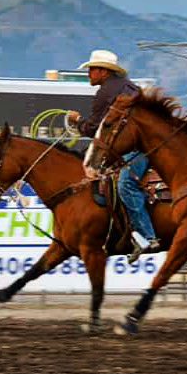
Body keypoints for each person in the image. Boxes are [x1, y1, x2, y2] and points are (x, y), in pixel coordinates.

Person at [66, 49, 161, 262]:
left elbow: (94, 129)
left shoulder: (106, 92)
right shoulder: (130, 86)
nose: (89, 73)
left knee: (125, 184)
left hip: (137, 148)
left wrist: (77, 121)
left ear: (103, 71)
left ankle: (148, 236)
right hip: (147, 144)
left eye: (92, 69)